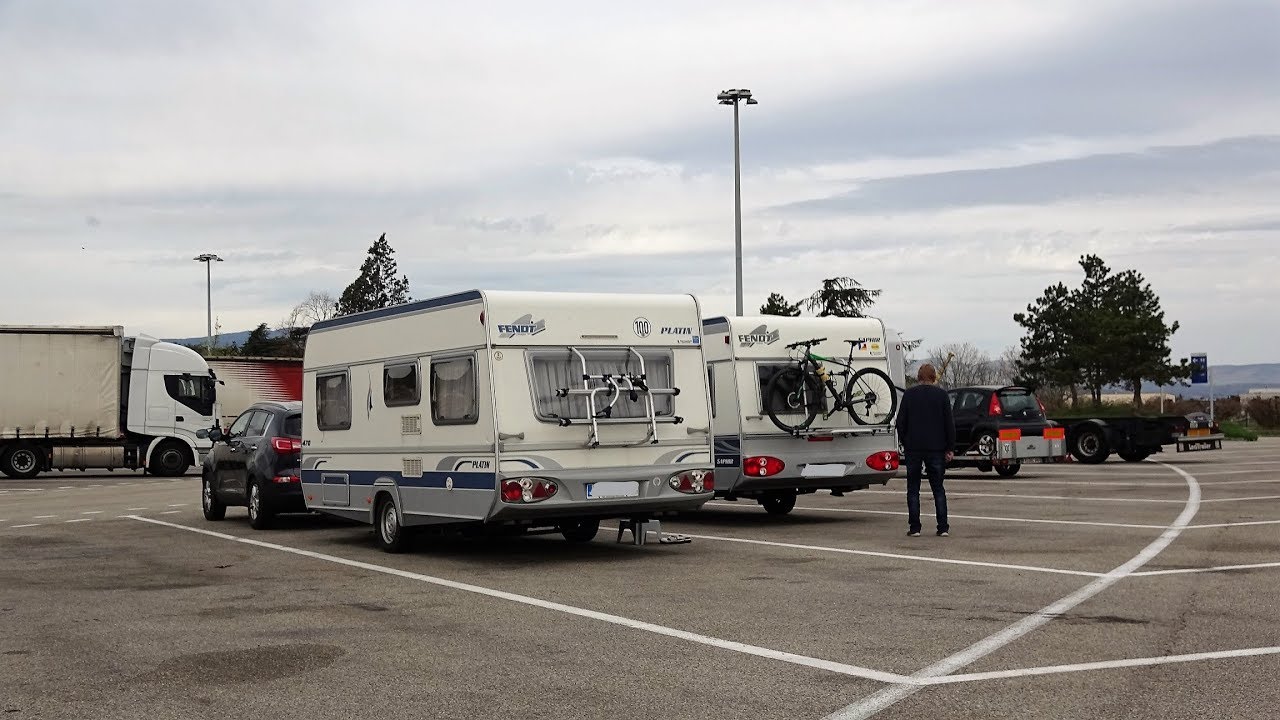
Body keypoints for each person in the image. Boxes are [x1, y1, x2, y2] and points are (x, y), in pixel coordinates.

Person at [894, 363, 955, 537]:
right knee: (938, 488)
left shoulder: (909, 395)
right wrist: (950, 447)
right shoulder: (942, 395)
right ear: (934, 377)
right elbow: (949, 424)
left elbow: (901, 423)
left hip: (914, 448)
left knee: (913, 489)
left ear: (919, 377)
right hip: (936, 448)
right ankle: (942, 527)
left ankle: (915, 527)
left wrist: (906, 442)